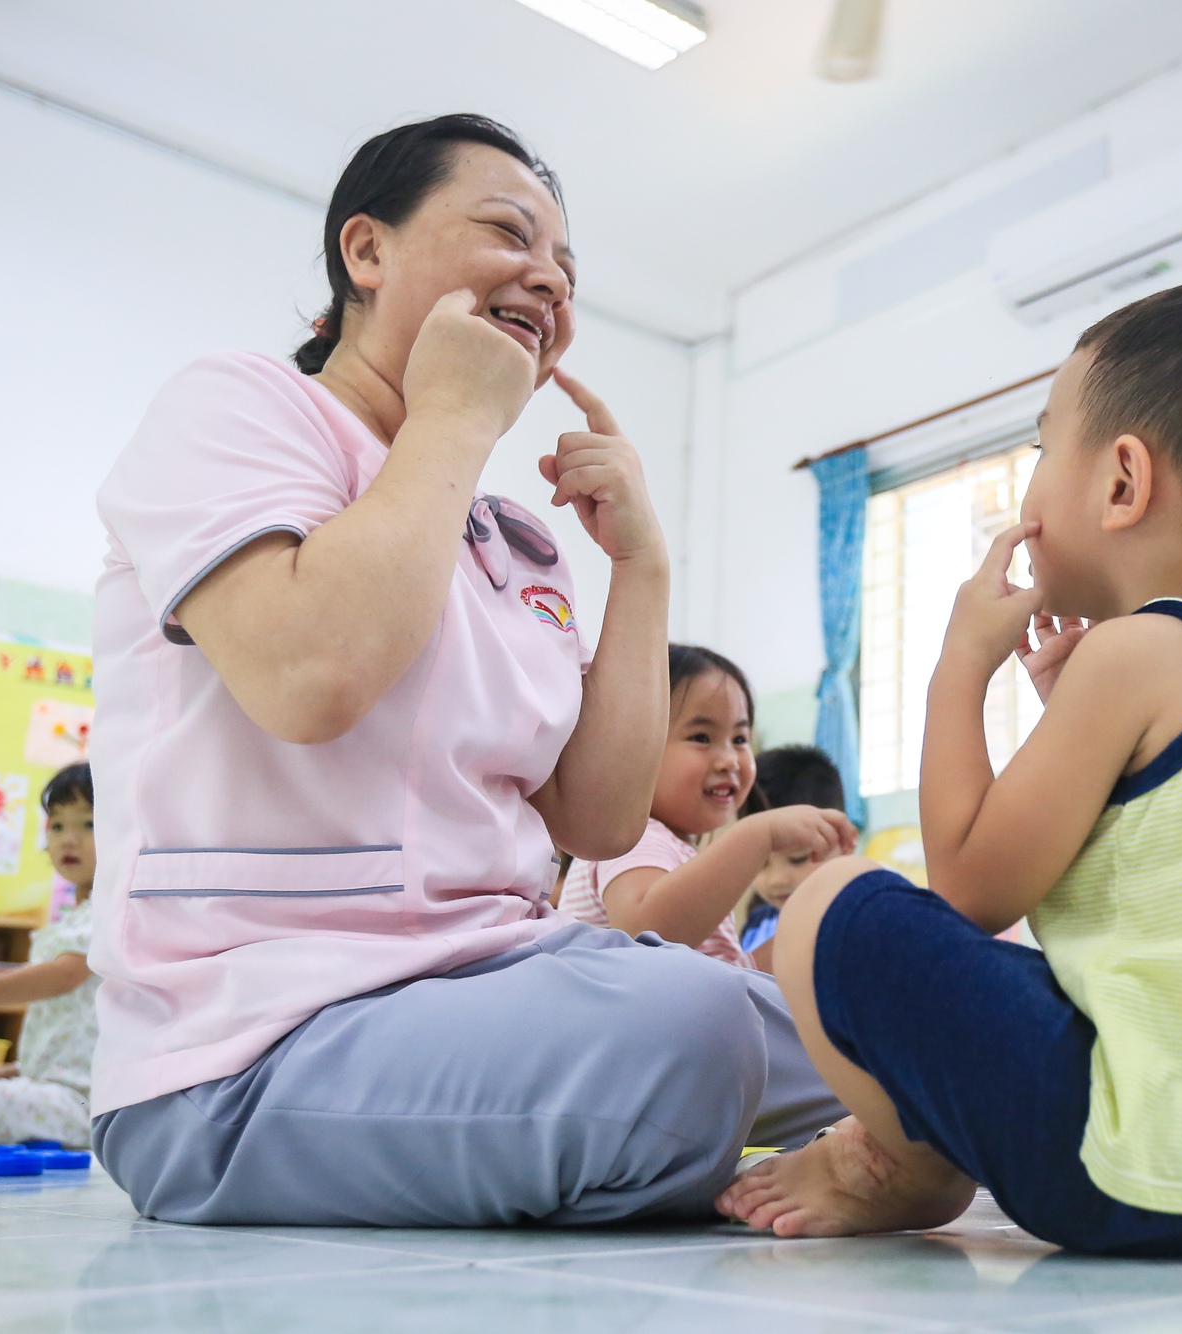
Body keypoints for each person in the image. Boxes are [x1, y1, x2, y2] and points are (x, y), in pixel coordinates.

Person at [87, 115, 842, 1226]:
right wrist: (449, 411)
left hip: (494, 987)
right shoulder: (237, 407)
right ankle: (844, 1133)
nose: (547, 278)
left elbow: (592, 814)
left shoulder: (508, 540)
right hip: (243, 1052)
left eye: (567, 267)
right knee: (694, 1031)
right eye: (509, 233)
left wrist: (640, 563)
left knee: (856, 1007)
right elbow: (310, 675)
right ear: (367, 252)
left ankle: (895, 1128)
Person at [718, 273, 1182, 1256]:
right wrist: (1071, 710)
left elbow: (965, 885)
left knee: (829, 906)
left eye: (1044, 446)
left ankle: (894, 1160)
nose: (1031, 480)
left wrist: (957, 667)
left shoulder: (1133, 651)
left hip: (1148, 1170)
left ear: (1123, 482)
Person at [558, 648, 855, 968]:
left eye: (740, 739)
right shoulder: (632, 837)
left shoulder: (676, 852)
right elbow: (646, 935)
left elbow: (711, 967)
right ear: (632, 745)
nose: (729, 760)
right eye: (701, 737)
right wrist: (757, 835)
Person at [0, 765, 100, 1148]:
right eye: (57, 826)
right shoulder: (73, 919)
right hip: (58, 1086)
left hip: (89, 1101)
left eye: (89, 825)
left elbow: (65, 976)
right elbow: (70, 1022)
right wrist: (20, 1069)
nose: (69, 840)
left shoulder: (110, 910)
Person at [737, 746, 849, 971]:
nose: (777, 879)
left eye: (798, 858)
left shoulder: (854, 921)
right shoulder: (756, 926)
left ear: (846, 840)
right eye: (759, 864)